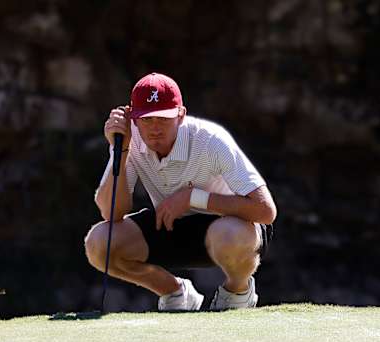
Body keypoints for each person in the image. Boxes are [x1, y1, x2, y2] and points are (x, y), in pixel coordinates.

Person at [84, 72, 277, 311]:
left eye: (164, 118)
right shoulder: (129, 142)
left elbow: (265, 210)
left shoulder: (210, 140)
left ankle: (237, 291)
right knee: (100, 243)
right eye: (146, 119)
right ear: (133, 119)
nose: (154, 128)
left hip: (227, 228)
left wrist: (192, 198)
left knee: (228, 234)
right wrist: (119, 151)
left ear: (181, 115)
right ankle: (175, 292)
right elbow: (111, 213)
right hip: (170, 225)